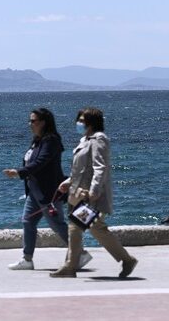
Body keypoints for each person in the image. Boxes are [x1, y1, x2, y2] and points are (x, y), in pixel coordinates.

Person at [50, 107, 138, 278]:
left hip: (90, 196)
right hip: (78, 193)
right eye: (79, 120)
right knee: (98, 230)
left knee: (75, 227)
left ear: (92, 123)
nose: (79, 123)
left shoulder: (99, 140)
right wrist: (67, 183)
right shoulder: (85, 140)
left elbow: (99, 167)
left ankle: (70, 267)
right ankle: (127, 260)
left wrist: (94, 191)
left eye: (82, 120)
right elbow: (81, 170)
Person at [3, 108, 92, 270]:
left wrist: (18, 172)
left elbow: (40, 163)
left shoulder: (51, 141)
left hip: (48, 192)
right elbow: (32, 162)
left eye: (33, 121)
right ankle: (27, 259)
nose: (30, 124)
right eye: (29, 121)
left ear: (43, 122)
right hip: (34, 191)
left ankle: (81, 252)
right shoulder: (38, 140)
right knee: (28, 221)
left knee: (57, 224)